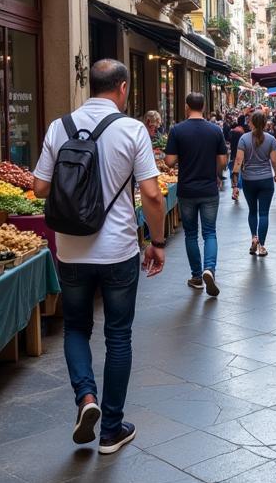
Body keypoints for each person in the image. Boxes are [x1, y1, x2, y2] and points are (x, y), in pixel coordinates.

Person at [33, 59, 166, 455]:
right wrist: (157, 242)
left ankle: (85, 398)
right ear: (122, 88)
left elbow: (40, 187)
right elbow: (153, 194)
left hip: (71, 249)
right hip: (119, 251)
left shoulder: (60, 127)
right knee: (118, 335)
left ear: (89, 85)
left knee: (75, 328)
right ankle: (111, 429)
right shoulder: (132, 129)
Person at [165, 92, 228, 297]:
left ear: (186, 106)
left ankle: (196, 276)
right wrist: (217, 174)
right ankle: (209, 268)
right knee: (210, 232)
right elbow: (223, 162)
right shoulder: (215, 130)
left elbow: (169, 161)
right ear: (204, 106)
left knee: (191, 234)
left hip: (187, 189)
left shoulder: (177, 130)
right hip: (209, 188)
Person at [232, 110, 276, 256]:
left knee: (252, 211)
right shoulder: (271, 139)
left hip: (249, 180)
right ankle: (262, 246)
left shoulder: (243, 139)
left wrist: (235, 184)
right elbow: (273, 160)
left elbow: (238, 162)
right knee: (264, 213)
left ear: (251, 122)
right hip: (266, 180)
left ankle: (254, 237)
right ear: (265, 123)